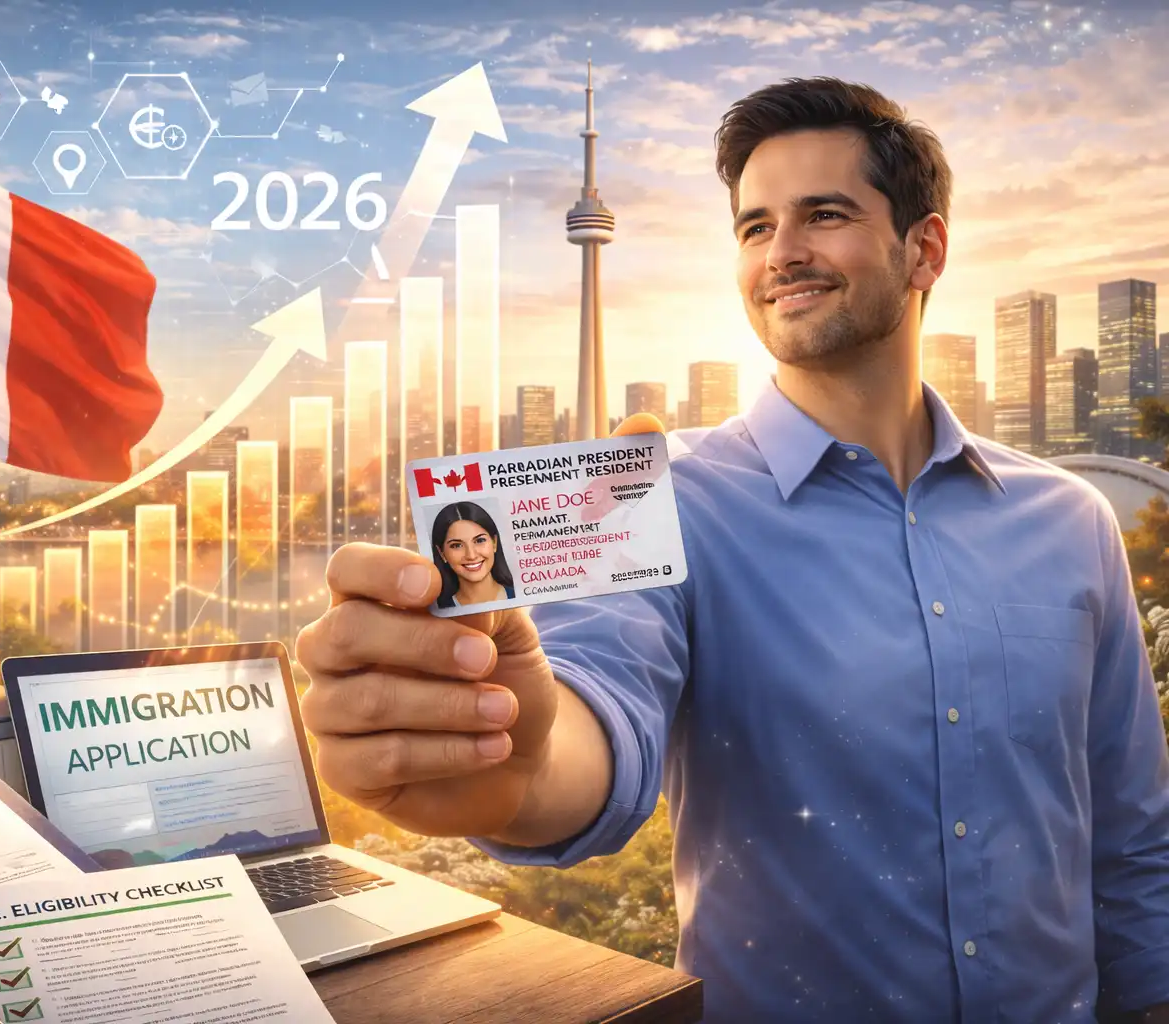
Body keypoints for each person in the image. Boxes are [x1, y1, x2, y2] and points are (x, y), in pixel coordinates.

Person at [294, 76, 1169, 1022]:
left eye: (822, 215)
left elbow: (1131, 842)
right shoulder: (647, 497)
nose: (781, 253)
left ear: (925, 249)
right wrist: (513, 764)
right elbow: (591, 707)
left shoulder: (1071, 521)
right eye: (755, 227)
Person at [431, 501, 516, 608]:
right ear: (441, 553)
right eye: (457, 545)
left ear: (494, 542)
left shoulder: (523, 597)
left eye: (479, 540)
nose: (471, 555)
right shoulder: (438, 611)